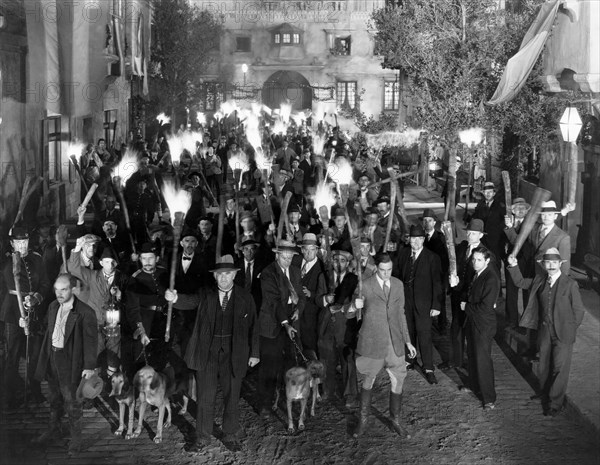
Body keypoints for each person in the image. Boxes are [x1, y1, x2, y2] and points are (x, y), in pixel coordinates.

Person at [171, 255, 259, 452]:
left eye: (228, 274)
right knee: (205, 397)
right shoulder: (205, 294)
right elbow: (189, 301)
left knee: (232, 396)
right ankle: (202, 437)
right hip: (207, 353)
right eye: (220, 275)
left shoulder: (245, 297)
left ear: (234, 275)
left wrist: (255, 353)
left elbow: (254, 325)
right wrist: (175, 298)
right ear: (215, 277)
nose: (224, 278)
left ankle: (229, 434)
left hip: (234, 354)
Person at [507, 248, 585, 416]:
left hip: (563, 333)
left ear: (560, 264)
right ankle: (544, 393)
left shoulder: (570, 284)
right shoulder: (539, 281)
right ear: (543, 265)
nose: (551, 265)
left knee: (559, 367)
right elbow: (520, 282)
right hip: (544, 331)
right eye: (547, 262)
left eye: (554, 263)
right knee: (543, 365)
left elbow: (579, 311)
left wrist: (570, 328)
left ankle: (555, 403)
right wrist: (513, 266)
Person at [351, 253, 417, 437]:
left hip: (394, 343)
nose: (386, 274)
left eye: (389, 270)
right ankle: (363, 422)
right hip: (372, 342)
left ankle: (395, 420)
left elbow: (401, 314)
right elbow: (350, 313)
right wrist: (355, 305)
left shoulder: (398, 284)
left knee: (398, 380)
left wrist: (408, 341)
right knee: (368, 380)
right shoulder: (365, 284)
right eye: (382, 270)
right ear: (376, 268)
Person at [33, 273, 98, 454]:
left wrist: (89, 366)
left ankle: (76, 440)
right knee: (54, 398)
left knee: (72, 401)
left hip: (71, 362)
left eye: (63, 289)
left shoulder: (85, 313)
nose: (59, 293)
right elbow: (48, 331)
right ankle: (54, 429)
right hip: (52, 358)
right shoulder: (53, 306)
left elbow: (91, 341)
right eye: (56, 289)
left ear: (73, 289)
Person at [1, 226, 50, 406]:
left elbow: (45, 283)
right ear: (12, 243)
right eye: (18, 242)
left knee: (34, 354)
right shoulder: (5, 261)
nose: (22, 245)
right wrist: (17, 316)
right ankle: (10, 394)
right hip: (13, 315)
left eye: (25, 241)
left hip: (34, 313)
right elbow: (4, 291)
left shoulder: (37, 259)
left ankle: (35, 391)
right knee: (12, 355)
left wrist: (36, 298)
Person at [257, 240, 305, 418]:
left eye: (290, 257)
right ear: (277, 255)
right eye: (284, 257)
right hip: (272, 324)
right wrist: (285, 324)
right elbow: (274, 301)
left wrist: (299, 310)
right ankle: (265, 404)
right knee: (269, 367)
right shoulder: (268, 273)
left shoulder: (295, 271)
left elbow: (300, 295)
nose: (287, 260)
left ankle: (289, 399)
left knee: (290, 363)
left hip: (291, 321)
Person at [393, 224, 442, 384]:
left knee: (424, 335)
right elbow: (397, 275)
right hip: (406, 301)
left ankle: (428, 367)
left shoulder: (432, 257)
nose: (415, 242)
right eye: (412, 238)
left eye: (418, 239)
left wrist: (436, 305)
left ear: (423, 240)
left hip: (424, 303)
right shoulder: (404, 254)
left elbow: (437, 283)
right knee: (408, 331)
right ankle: (410, 360)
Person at [455, 246, 501, 410]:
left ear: (487, 261)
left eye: (479, 260)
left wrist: (466, 306)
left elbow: (486, 307)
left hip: (483, 325)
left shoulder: (491, 278)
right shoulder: (478, 274)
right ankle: (474, 386)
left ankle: (489, 398)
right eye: (473, 259)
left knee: (483, 360)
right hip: (473, 322)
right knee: (473, 356)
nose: (475, 263)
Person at [318, 247, 359, 407]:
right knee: (327, 357)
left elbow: (357, 299)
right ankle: (327, 390)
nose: (339, 263)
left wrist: (347, 306)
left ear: (347, 263)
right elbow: (316, 298)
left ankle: (350, 394)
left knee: (347, 358)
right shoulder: (324, 277)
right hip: (327, 323)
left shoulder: (353, 279)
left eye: (343, 260)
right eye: (336, 260)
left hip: (345, 324)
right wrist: (324, 299)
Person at [503, 197, 533, 329]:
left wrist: (510, 229)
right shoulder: (505, 222)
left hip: (527, 262)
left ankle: (526, 322)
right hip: (511, 260)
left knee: (527, 292)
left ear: (527, 211)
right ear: (512, 210)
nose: (520, 210)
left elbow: (518, 243)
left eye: (523, 208)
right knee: (511, 292)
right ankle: (512, 321)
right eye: (517, 208)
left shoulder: (532, 224)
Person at [295, 233, 327, 358]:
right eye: (306, 250)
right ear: (302, 250)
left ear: (316, 250)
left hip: (311, 314)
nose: (309, 253)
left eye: (312, 250)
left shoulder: (322, 268)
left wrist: (311, 294)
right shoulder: (295, 262)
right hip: (296, 311)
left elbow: (325, 294)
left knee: (310, 343)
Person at [421, 208, 449, 332]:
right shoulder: (419, 237)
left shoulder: (441, 237)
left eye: (430, 220)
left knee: (439, 300)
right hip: (423, 275)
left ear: (434, 223)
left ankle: (442, 326)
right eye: (425, 220)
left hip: (438, 275)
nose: (427, 223)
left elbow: (446, 259)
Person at [471, 182, 505, 271]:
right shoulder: (480, 205)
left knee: (495, 261)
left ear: (494, 193)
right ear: (483, 193)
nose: (488, 194)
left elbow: (504, 222)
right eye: (486, 192)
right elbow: (476, 218)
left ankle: (496, 280)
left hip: (495, 240)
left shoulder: (500, 206)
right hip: (482, 239)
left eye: (490, 192)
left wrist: (497, 232)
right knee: (481, 259)